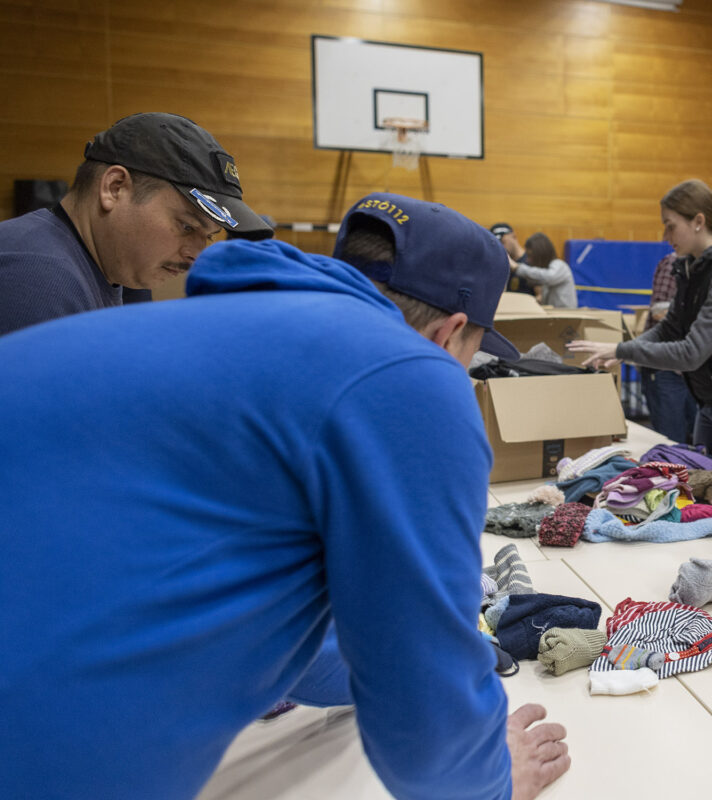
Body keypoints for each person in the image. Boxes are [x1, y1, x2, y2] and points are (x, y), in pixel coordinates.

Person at [0, 193, 569, 800]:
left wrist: (374, 657)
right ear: (450, 334)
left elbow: (291, 627)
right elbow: (422, 703)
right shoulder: (406, 373)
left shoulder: (227, 329)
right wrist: (491, 780)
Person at [567, 179, 712, 475]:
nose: (666, 236)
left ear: (698, 221)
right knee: (705, 487)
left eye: (670, 226)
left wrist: (624, 350)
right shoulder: (693, 268)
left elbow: (691, 353)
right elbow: (669, 328)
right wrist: (625, 350)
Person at [0, 112, 271, 336]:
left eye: (209, 236)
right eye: (187, 226)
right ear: (115, 188)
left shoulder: (118, 275)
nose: (196, 256)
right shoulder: (38, 280)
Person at [639, 250, 698, 442]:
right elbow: (658, 311)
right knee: (671, 439)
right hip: (665, 367)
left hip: (691, 367)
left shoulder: (707, 265)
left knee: (696, 438)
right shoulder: (673, 262)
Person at [514, 232, 578, 308]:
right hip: (554, 313)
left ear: (540, 254)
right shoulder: (546, 270)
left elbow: (548, 277)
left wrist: (517, 267)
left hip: (566, 314)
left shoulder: (560, 265)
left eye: (530, 255)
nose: (528, 260)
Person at [490, 221, 538, 297]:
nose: (500, 246)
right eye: (497, 244)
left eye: (502, 242)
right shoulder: (499, 263)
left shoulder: (531, 260)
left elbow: (540, 295)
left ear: (513, 236)